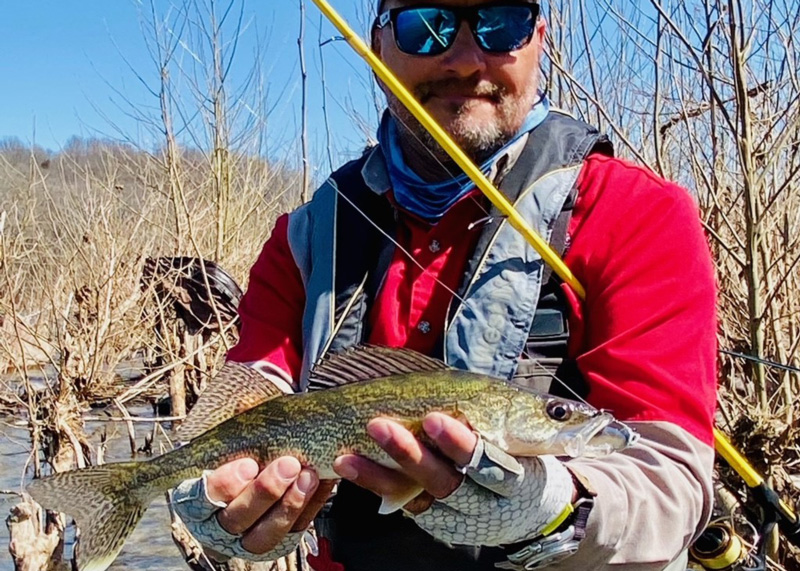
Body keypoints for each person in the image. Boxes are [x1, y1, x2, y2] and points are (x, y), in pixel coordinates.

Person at [171, 0, 718, 569]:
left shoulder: (637, 213)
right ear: (379, 46)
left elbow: (670, 482)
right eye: (425, 25)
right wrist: (211, 502)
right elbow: (234, 414)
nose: (463, 59)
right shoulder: (304, 240)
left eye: (500, 22)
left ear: (539, 39)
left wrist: (557, 507)